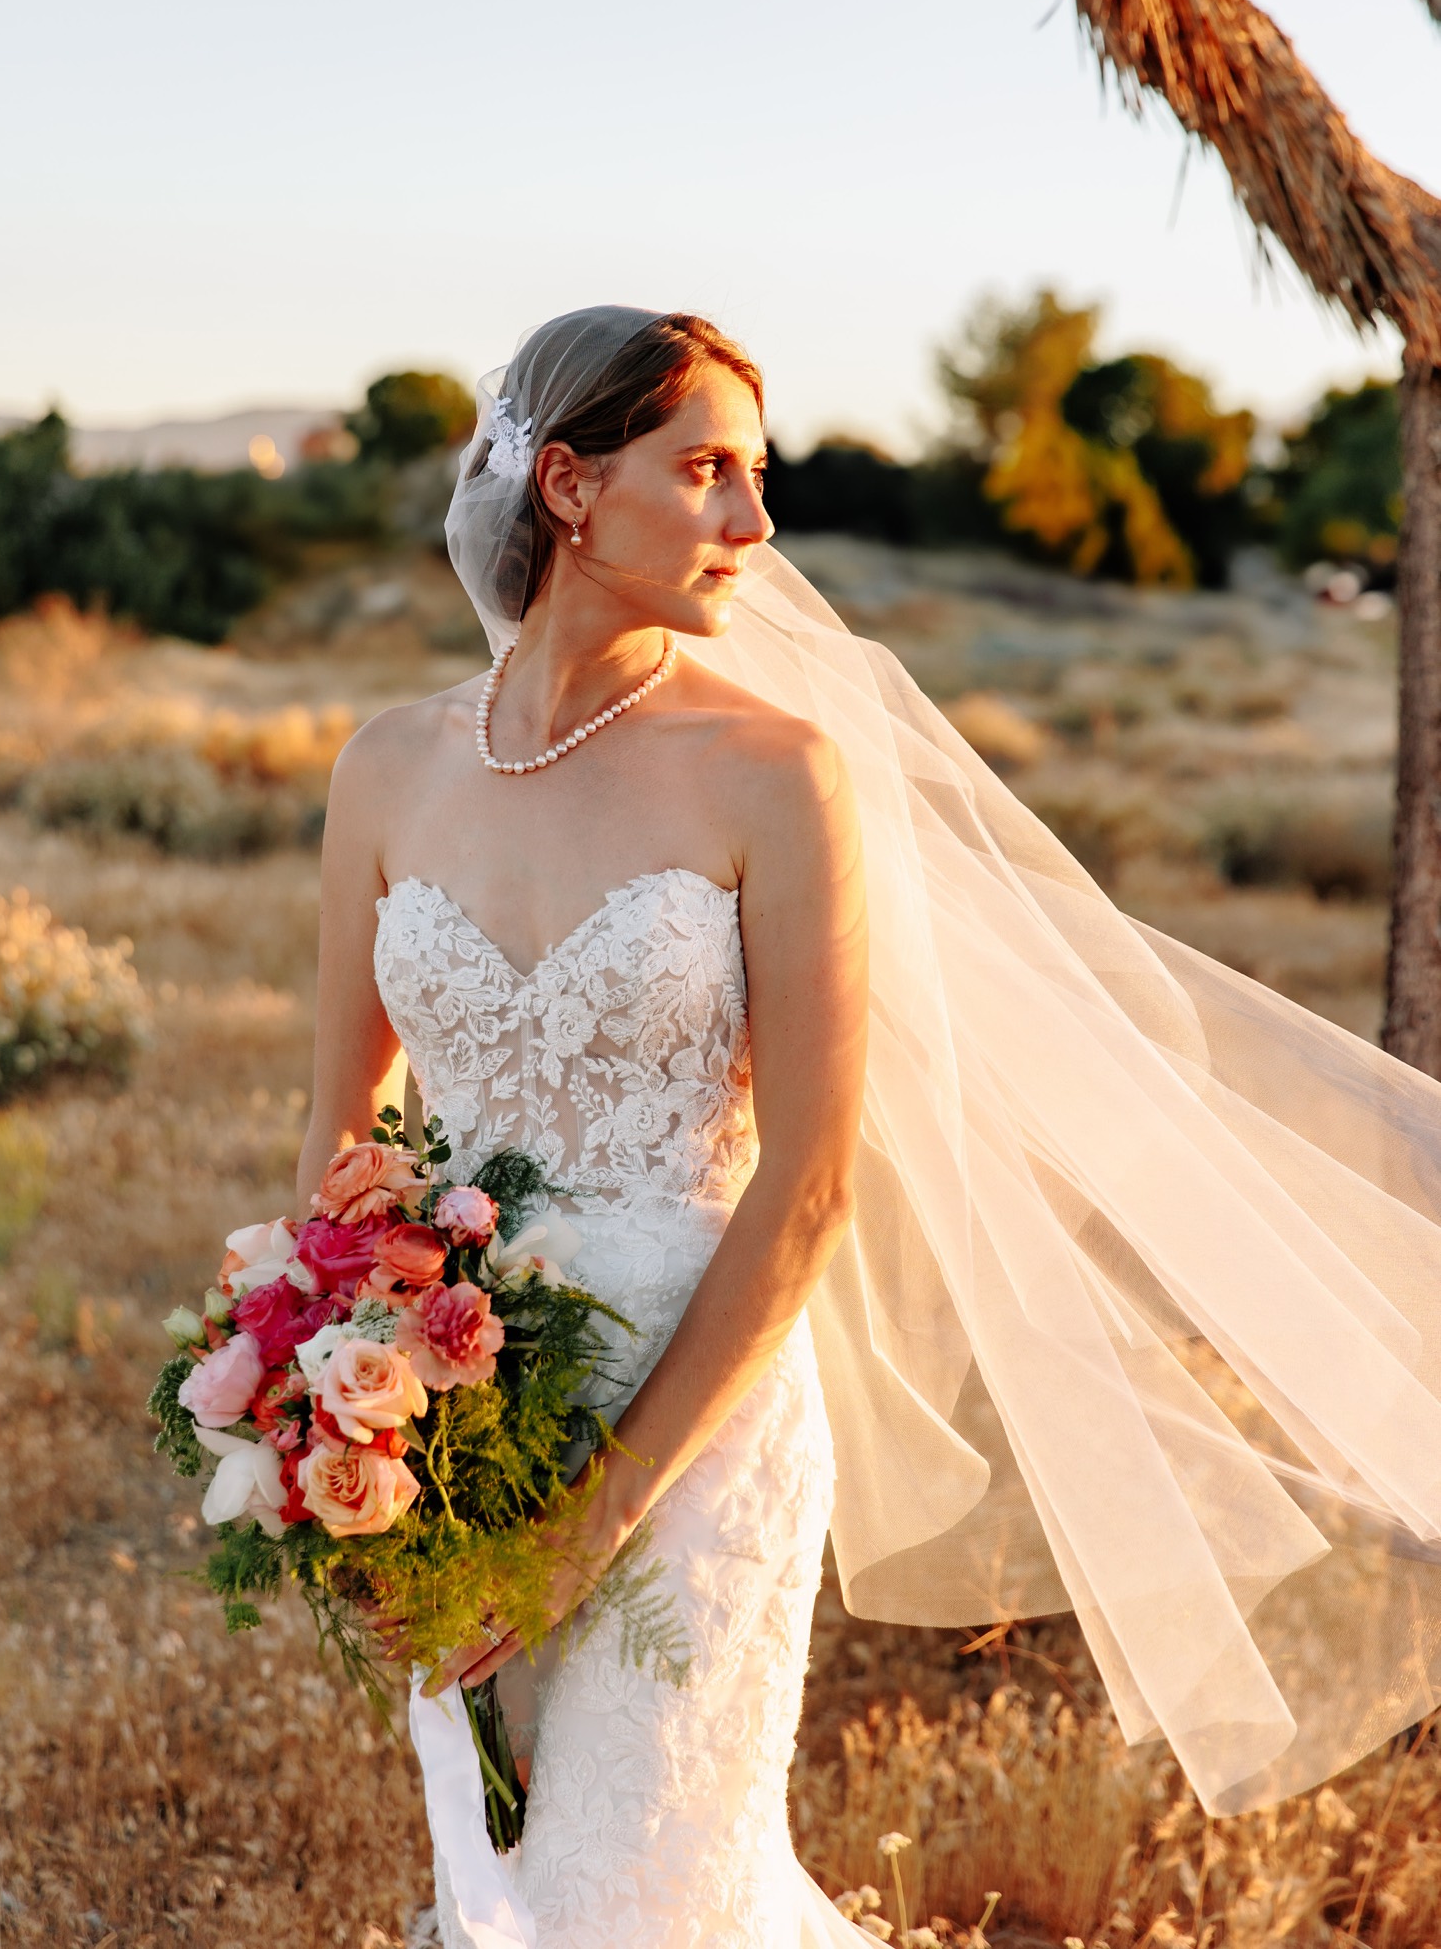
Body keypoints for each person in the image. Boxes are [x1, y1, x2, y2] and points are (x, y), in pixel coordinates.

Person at [300, 307, 1441, 1948]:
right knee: (497, 1897)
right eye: (706, 471)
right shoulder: (388, 769)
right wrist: (341, 1419)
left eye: (755, 476)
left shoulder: (776, 772)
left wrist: (597, 1515)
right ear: (566, 486)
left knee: (635, 1902)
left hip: (692, 1435)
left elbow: (814, 1182)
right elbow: (340, 1141)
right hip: (451, 1422)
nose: (755, 525)